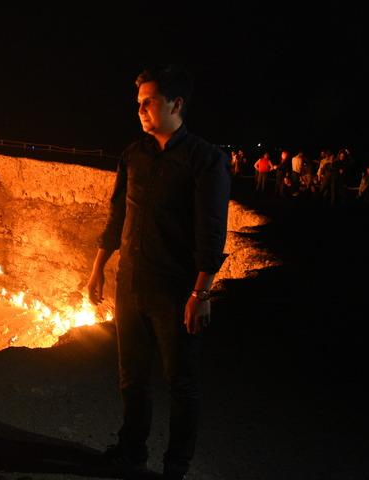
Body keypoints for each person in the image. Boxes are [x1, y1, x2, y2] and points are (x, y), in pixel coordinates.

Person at [86, 64, 230, 480]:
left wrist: (200, 295)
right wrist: (98, 269)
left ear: (176, 103)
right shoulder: (135, 155)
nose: (141, 110)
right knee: (131, 376)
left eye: (148, 102)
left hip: (174, 290)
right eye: (138, 104)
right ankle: (132, 450)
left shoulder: (205, 161)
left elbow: (211, 235)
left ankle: (175, 465)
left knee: (180, 383)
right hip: (129, 284)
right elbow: (117, 216)